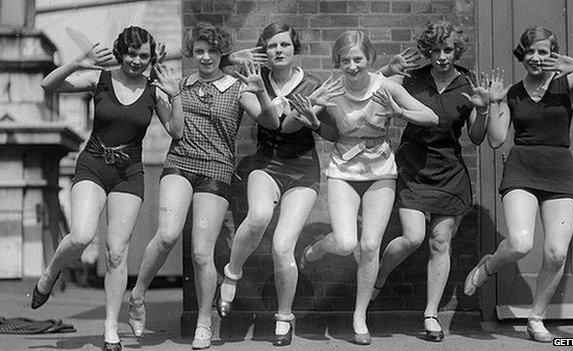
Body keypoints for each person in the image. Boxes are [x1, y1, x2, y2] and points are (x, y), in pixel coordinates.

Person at [463, 26, 573, 343]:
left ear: (553, 54)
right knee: (521, 244)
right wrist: (493, 104)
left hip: (560, 169)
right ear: (522, 54)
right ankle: (489, 266)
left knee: (555, 253)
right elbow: (495, 141)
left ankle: (536, 318)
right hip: (522, 167)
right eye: (531, 51)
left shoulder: (569, 82)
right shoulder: (510, 93)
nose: (536, 58)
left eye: (544, 52)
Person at [126, 22, 279, 350]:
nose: (205, 57)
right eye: (199, 51)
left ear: (222, 52)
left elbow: (272, 122)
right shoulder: (178, 83)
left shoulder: (238, 87)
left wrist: (261, 90)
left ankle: (205, 320)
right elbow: (176, 132)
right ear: (192, 53)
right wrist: (174, 95)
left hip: (217, 170)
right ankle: (137, 296)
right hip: (180, 162)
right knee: (167, 235)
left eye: (211, 51)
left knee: (200, 253)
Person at [31, 26, 183, 351]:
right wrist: (79, 61)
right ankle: (51, 272)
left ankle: (111, 329)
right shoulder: (99, 79)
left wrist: (175, 94)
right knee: (82, 235)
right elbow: (48, 84)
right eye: (130, 53)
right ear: (120, 52)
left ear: (151, 57)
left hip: (129, 173)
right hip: (93, 164)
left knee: (117, 252)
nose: (136, 61)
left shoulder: (154, 91)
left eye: (144, 56)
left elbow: (176, 130)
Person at [294, 30, 439, 345]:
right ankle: (316, 248)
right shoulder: (330, 90)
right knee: (347, 244)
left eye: (358, 59)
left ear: (369, 59)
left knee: (371, 246)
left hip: (381, 173)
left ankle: (359, 316)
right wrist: (314, 117)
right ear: (338, 61)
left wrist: (399, 113)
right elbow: (303, 122)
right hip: (343, 172)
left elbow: (430, 116)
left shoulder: (385, 87)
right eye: (345, 60)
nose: (352, 66)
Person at [216, 22, 342, 347]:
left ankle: (284, 317)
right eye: (272, 46)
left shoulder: (313, 84)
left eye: (284, 44)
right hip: (266, 165)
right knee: (258, 217)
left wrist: (316, 120)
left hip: (303, 172)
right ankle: (232, 272)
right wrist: (249, 77)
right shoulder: (251, 81)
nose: (279, 51)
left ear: (293, 47)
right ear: (264, 51)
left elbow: (333, 133)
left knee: (282, 246)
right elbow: (275, 124)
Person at [372, 20, 490, 342]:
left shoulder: (467, 82)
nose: (441, 56)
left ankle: (431, 315)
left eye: (447, 49)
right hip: (412, 165)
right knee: (412, 237)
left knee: (440, 242)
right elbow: (370, 89)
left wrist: (482, 110)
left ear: (456, 50)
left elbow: (477, 138)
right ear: (428, 51)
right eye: (435, 50)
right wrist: (386, 69)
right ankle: (379, 275)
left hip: (448, 169)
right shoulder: (413, 78)